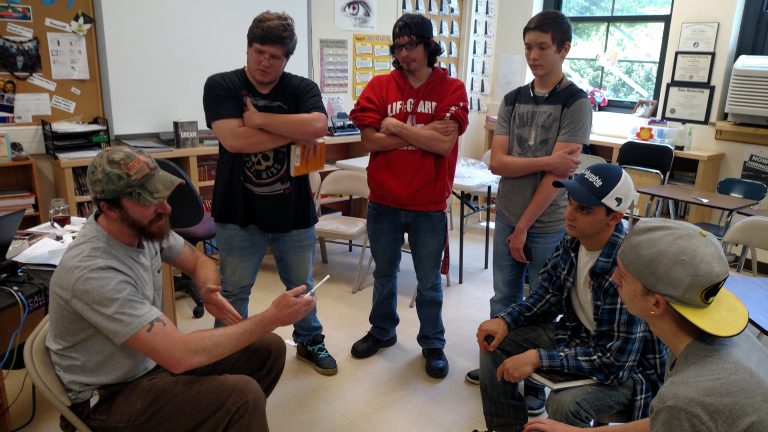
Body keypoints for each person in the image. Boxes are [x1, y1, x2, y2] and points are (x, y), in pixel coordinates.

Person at [47, 146, 316, 432]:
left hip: (149, 364)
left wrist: (208, 287)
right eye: (149, 200)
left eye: (162, 195)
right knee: (241, 398)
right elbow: (179, 355)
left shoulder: (142, 226)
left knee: (267, 349)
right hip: (106, 399)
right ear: (110, 208)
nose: (166, 208)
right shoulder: (93, 270)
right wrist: (271, 317)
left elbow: (199, 261)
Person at [525, 218, 768, 432]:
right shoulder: (725, 339)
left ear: (656, 302)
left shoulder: (684, 397)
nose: (613, 278)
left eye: (622, 276)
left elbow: (678, 412)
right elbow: (665, 423)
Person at [476, 164, 667, 431]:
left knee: (564, 403)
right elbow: (547, 296)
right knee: (493, 339)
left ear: (614, 217)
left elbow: (615, 363)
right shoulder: (574, 240)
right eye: (569, 202)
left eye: (584, 210)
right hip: (579, 339)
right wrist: (505, 320)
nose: (569, 214)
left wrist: (538, 358)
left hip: (629, 373)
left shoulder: (626, 269)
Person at [465, 11, 591, 415]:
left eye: (542, 47)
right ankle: (495, 365)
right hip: (508, 215)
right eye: (528, 47)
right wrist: (546, 160)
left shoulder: (576, 102)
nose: (533, 56)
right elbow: (497, 163)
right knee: (503, 297)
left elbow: (558, 177)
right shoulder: (513, 99)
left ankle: (536, 381)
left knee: (542, 303)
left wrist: (522, 226)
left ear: (564, 49)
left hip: (547, 224)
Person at [202, 11, 337, 375]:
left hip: (294, 213)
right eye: (258, 52)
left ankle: (309, 341)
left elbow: (318, 125)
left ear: (286, 59)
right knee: (234, 292)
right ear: (248, 48)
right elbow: (234, 139)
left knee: (301, 288)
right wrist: (293, 130)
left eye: (274, 56)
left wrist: (260, 120)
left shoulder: (301, 88)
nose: (264, 61)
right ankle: (227, 354)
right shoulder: (222, 85)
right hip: (238, 213)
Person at [348, 13, 469, 378]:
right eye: (398, 47)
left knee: (429, 281)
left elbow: (443, 143)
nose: (404, 53)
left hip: (428, 205)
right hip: (383, 202)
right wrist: (423, 134)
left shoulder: (451, 88)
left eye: (411, 45)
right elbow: (370, 140)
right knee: (384, 274)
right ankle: (382, 330)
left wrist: (396, 126)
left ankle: (432, 343)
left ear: (429, 46)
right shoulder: (380, 86)